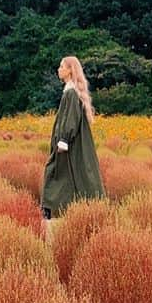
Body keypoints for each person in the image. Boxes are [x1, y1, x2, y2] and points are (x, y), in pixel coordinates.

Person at [41, 56, 105, 220]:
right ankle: (60, 208)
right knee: (69, 175)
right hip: (72, 143)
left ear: (70, 71)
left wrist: (63, 139)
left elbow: (70, 119)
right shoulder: (70, 92)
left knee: (55, 172)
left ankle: (51, 208)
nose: (59, 69)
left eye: (62, 66)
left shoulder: (71, 93)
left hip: (69, 143)